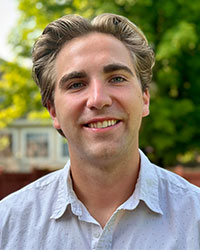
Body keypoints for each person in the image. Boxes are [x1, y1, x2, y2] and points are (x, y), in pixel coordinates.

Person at [0, 13, 200, 250]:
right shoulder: (8, 225)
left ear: (145, 99)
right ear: (53, 111)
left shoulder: (195, 219)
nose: (98, 99)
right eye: (76, 84)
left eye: (116, 78)